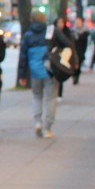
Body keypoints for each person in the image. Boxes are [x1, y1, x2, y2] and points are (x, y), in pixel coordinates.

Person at [18, 11, 58, 139]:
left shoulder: (28, 36)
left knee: (36, 96)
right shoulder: (49, 33)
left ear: (32, 20)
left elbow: (23, 56)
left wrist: (22, 75)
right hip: (50, 70)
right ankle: (48, 127)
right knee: (50, 98)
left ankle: (37, 122)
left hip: (35, 70)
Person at [52, 16, 74, 99]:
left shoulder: (67, 33)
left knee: (60, 73)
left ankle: (59, 94)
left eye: (61, 22)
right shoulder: (52, 32)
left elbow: (70, 45)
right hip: (54, 56)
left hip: (64, 56)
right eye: (58, 22)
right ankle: (55, 93)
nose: (60, 24)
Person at [71, 18, 89, 83]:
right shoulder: (72, 31)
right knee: (73, 64)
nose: (77, 24)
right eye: (76, 22)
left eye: (79, 22)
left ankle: (76, 77)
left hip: (81, 51)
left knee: (78, 65)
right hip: (73, 50)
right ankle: (74, 75)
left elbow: (85, 43)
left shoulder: (85, 32)